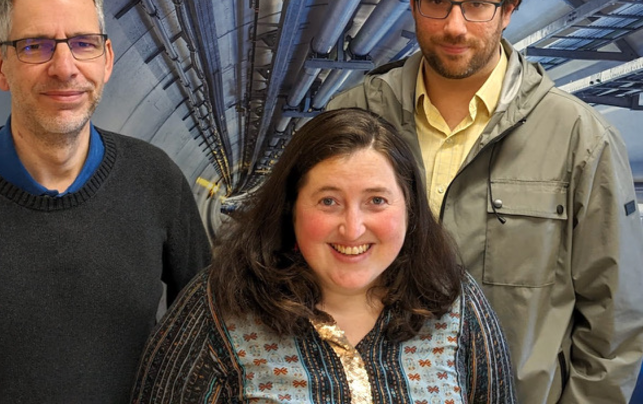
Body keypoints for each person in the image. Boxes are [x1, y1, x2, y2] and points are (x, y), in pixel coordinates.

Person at [328, 0, 643, 403]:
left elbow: (615, 321)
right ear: (412, 5)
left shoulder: (580, 139)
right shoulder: (353, 119)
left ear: (508, 9)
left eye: (477, 4)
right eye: (437, 2)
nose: (455, 26)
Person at [0, 0, 211, 403]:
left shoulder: (156, 180)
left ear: (106, 60)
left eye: (83, 43)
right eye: (35, 46)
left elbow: (209, 331)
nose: (65, 67)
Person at [130, 108, 517, 403]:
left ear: (409, 208)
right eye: (328, 201)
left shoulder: (455, 302)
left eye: (376, 201)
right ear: (291, 206)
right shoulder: (219, 304)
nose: (352, 228)